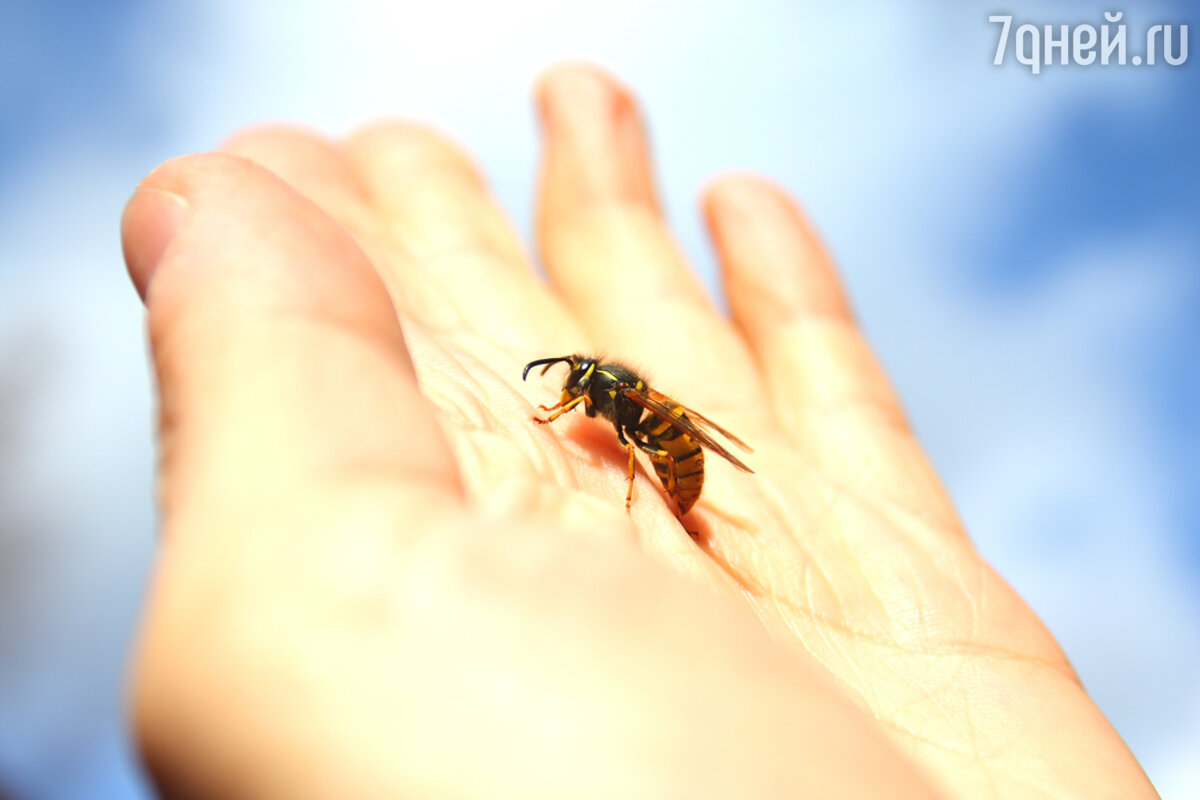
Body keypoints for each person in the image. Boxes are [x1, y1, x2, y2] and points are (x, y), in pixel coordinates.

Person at [120, 64, 1157, 799]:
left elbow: (648, 430)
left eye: (575, 384)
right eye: (574, 387)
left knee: (663, 448)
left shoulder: (623, 411)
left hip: (677, 476)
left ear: (594, 386)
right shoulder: (605, 392)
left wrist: (639, 478)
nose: (574, 395)